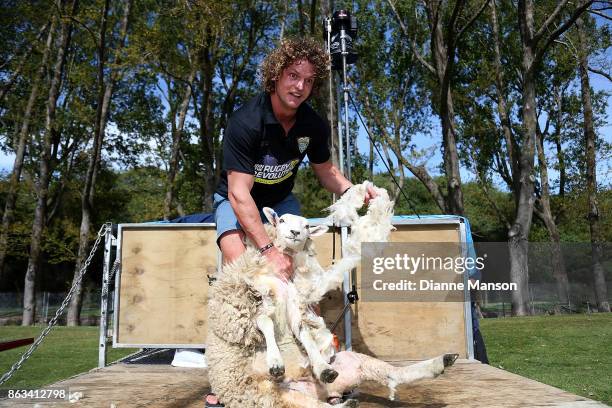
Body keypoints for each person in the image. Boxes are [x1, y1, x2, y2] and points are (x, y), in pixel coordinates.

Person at [205, 38, 375, 408]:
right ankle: (229, 379)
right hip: (238, 199)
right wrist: (267, 251)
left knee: (302, 285)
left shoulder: (312, 124)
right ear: (275, 76)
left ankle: (318, 371)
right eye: (292, 75)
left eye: (308, 80)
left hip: (282, 203)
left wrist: (356, 191)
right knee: (243, 279)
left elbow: (326, 171)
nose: (299, 86)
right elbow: (239, 193)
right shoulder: (246, 122)